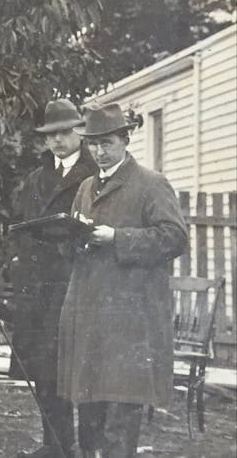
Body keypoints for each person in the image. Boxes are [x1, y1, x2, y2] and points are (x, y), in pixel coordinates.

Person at [58, 103, 188, 458]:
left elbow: (174, 238)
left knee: (120, 419)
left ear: (126, 140)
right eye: (93, 144)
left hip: (130, 324)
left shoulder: (151, 183)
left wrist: (117, 237)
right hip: (90, 318)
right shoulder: (86, 186)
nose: (99, 152)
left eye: (107, 143)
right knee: (89, 421)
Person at [9, 99, 97, 458]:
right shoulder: (35, 179)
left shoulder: (94, 176)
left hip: (75, 283)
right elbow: (18, 226)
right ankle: (55, 444)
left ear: (79, 132)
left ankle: (86, 447)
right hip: (37, 288)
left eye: (64, 132)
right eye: (51, 135)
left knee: (81, 370)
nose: (58, 141)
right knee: (43, 370)